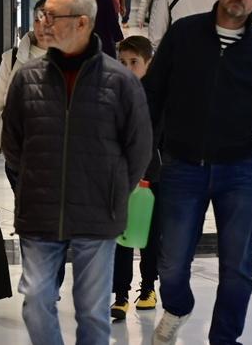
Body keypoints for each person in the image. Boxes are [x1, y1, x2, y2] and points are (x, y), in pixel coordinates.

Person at [144, 0, 252, 345]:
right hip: (182, 166)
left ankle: (224, 339)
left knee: (237, 270)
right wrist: (139, 157)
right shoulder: (184, 35)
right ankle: (178, 306)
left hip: (239, 171)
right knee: (172, 265)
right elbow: (152, 96)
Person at [2, 0, 152, 345]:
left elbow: (139, 149)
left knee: (92, 312)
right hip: (39, 212)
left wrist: (115, 191)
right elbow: (13, 144)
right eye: (42, 16)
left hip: (97, 213)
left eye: (53, 17)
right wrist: (31, 185)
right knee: (36, 300)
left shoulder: (120, 82)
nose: (44, 24)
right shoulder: (27, 78)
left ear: (82, 23)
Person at [110, 36, 163, 322]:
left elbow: (157, 137)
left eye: (134, 63)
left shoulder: (155, 98)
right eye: (122, 63)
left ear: (148, 64)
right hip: (120, 177)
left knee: (150, 235)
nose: (128, 68)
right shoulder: (113, 93)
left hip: (150, 176)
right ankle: (120, 294)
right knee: (121, 235)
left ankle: (148, 287)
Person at [0, 0, 49, 175]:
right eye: (37, 19)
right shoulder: (13, 59)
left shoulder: (70, 60)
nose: (41, 26)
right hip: (19, 156)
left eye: (48, 19)